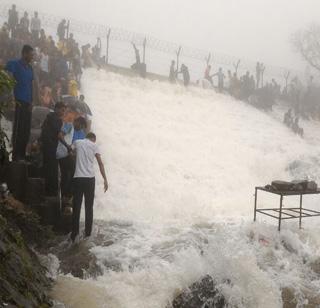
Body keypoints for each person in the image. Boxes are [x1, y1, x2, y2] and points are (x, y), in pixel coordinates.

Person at [71, 132, 108, 242]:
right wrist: (105, 179)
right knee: (89, 207)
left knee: (76, 206)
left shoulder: (77, 142)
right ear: (93, 139)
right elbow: (100, 163)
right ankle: (87, 234)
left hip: (78, 178)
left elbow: (71, 151)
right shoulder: (94, 146)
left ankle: (74, 234)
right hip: (90, 179)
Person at [5, 45, 34, 161]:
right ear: (24, 54)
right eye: (31, 54)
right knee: (18, 129)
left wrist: (32, 101)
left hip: (28, 103)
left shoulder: (30, 68)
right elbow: (8, 76)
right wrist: (11, 96)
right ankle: (16, 155)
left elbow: (31, 85)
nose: (33, 57)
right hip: (18, 101)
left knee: (25, 130)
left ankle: (22, 154)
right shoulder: (15, 64)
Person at [41, 102, 71, 196]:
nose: (63, 112)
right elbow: (58, 135)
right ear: (57, 109)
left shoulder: (48, 117)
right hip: (51, 148)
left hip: (46, 146)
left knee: (48, 169)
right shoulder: (57, 120)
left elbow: (43, 130)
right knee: (52, 170)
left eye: (64, 111)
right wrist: (67, 146)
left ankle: (47, 190)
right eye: (62, 110)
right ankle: (51, 192)